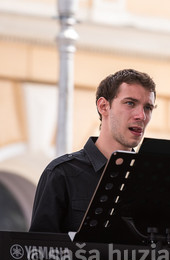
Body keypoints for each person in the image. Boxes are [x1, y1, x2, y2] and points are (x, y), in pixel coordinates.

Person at [29, 68, 156, 233]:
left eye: (148, 107)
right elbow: (39, 251)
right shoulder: (61, 173)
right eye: (130, 103)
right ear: (103, 106)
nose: (142, 116)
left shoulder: (150, 178)